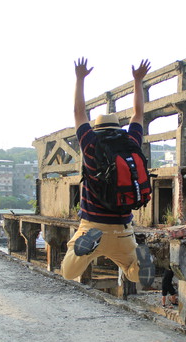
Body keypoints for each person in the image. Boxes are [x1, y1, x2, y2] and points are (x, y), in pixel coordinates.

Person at [61, 57, 155, 287]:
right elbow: (138, 114)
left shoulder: (90, 144)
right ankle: (141, 263)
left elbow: (78, 112)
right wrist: (138, 80)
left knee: (68, 271)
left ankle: (84, 249)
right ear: (118, 128)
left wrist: (80, 78)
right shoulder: (131, 142)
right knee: (133, 274)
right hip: (123, 229)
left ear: (97, 129)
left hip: (92, 225)